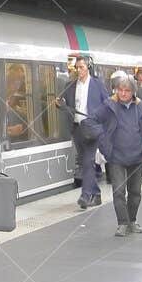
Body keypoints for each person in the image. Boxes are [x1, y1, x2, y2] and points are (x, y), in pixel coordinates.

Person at [88, 75, 142, 236]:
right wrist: (104, 143)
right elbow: (92, 121)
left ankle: (132, 220)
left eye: (127, 90)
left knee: (135, 192)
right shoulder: (109, 105)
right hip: (116, 157)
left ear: (133, 92)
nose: (123, 93)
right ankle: (122, 223)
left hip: (137, 156)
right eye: (120, 90)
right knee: (118, 191)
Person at [56, 57, 108, 209]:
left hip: (92, 128)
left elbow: (107, 105)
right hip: (77, 128)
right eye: (76, 68)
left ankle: (85, 196)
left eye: (81, 67)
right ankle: (96, 195)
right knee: (86, 163)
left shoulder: (97, 85)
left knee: (87, 162)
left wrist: (101, 122)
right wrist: (60, 105)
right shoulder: (70, 85)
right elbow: (63, 104)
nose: (78, 70)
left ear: (88, 68)